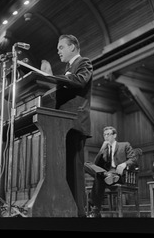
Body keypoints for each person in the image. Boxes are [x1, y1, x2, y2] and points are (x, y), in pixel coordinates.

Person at [40, 34, 93, 217]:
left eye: (61, 47)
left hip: (75, 123)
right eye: (57, 49)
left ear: (73, 47)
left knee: (75, 172)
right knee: (64, 171)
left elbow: (80, 81)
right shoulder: (67, 69)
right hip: (61, 125)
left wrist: (52, 77)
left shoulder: (84, 62)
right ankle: (66, 210)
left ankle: (79, 215)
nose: (58, 51)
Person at [84, 126, 139, 217]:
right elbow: (95, 164)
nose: (106, 137)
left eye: (108, 134)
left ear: (114, 135)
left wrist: (124, 164)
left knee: (98, 177)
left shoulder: (124, 145)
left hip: (119, 174)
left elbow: (134, 159)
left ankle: (95, 210)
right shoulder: (104, 149)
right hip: (106, 174)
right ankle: (106, 175)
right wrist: (102, 149)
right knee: (86, 164)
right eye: (104, 135)